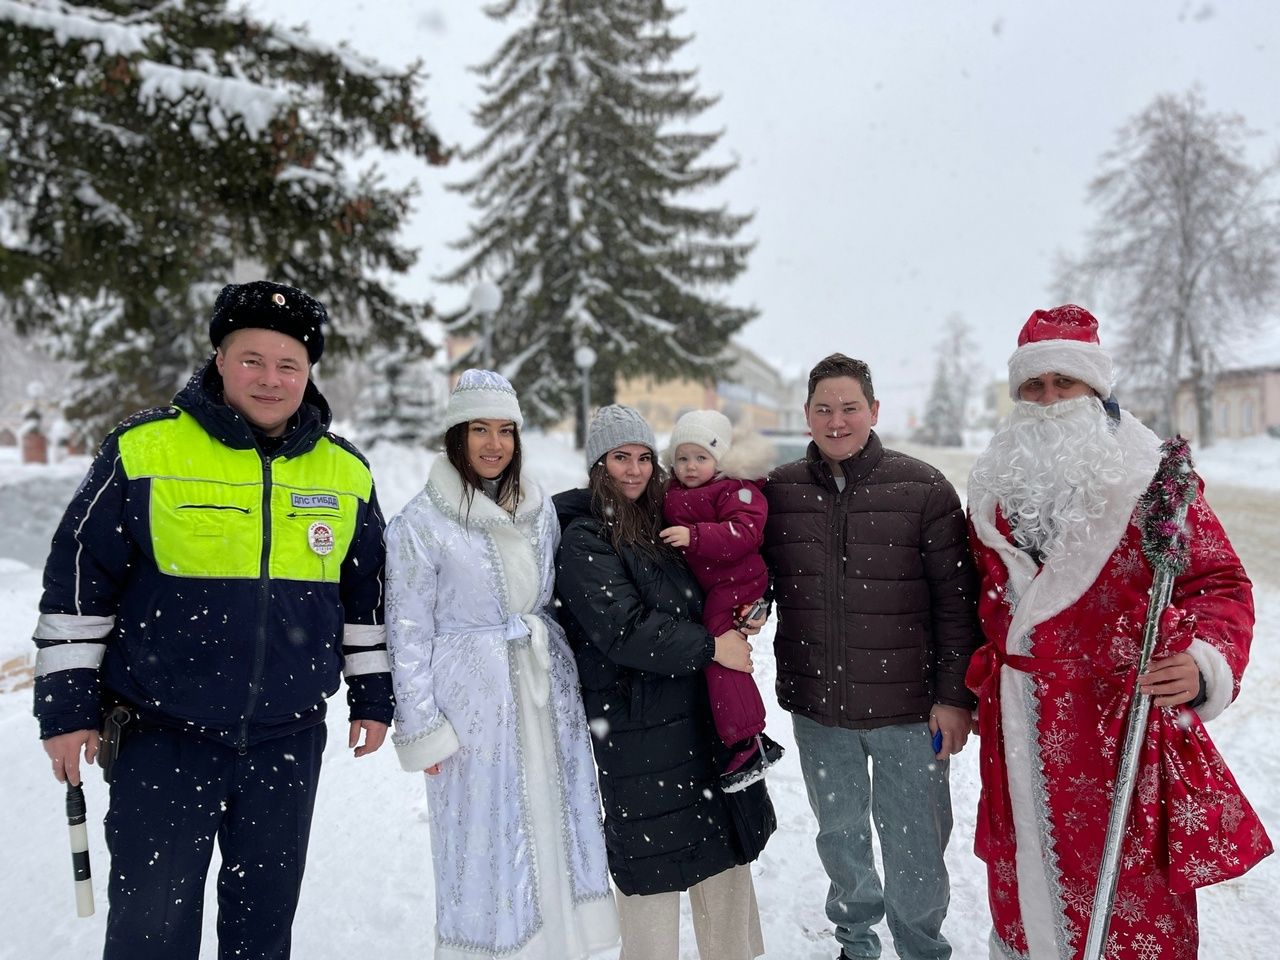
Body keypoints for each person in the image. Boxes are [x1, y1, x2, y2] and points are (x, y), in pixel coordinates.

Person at [32, 280, 392, 960]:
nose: (270, 378)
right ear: (220, 359)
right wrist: (65, 708)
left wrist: (372, 697)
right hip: (163, 737)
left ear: (309, 373)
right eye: (251, 359)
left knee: (262, 932)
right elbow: (80, 578)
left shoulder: (345, 472)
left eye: (288, 364)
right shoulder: (145, 449)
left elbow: (366, 592)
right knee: (151, 934)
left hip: (286, 743)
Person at [964, 304, 1273, 960]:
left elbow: (1220, 584)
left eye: (1064, 384)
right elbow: (969, 602)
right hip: (1019, 726)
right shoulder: (993, 484)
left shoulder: (1154, 479)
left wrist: (1203, 662)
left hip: (1116, 726)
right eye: (1034, 387)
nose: (1048, 401)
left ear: (1095, 389)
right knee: (1026, 894)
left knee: (1130, 901)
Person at [384, 369, 618, 960]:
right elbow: (406, 632)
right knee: (484, 833)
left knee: (557, 819)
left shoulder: (540, 510)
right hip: (471, 702)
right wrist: (423, 730)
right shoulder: (421, 523)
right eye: (479, 430)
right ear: (455, 436)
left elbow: (560, 597)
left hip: (543, 688)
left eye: (505, 431)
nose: (494, 444)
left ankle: (560, 944)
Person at [761, 353, 979, 960]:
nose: (837, 421)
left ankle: (921, 947)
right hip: (819, 708)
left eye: (849, 407)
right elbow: (750, 571)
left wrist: (955, 697)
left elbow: (956, 604)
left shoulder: (924, 488)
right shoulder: (778, 491)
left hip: (911, 712)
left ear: (874, 411)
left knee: (915, 842)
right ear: (805, 416)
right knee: (841, 838)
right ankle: (856, 945)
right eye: (824, 409)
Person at [554, 404, 777, 960]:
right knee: (650, 871)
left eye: (643, 458)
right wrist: (711, 647)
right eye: (619, 458)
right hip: (638, 731)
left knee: (721, 859)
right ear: (597, 464)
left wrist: (750, 607)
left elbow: (718, 575)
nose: (633, 470)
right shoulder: (584, 538)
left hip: (697, 719)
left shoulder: (663, 524)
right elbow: (623, 629)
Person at [658, 408, 783, 792]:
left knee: (719, 648)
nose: (690, 466)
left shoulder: (736, 488)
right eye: (682, 458)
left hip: (737, 581)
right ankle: (738, 736)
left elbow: (744, 532)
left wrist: (694, 537)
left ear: (720, 459)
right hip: (714, 584)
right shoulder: (672, 491)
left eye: (700, 457)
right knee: (712, 650)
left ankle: (749, 740)